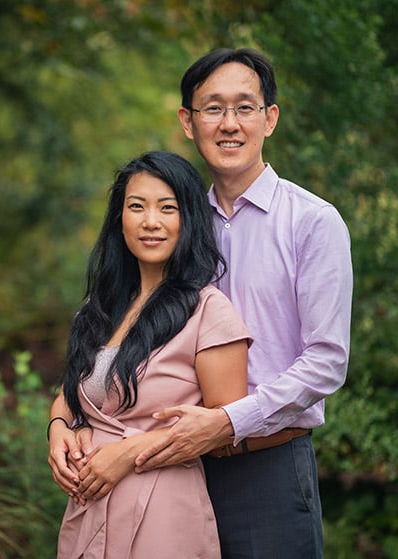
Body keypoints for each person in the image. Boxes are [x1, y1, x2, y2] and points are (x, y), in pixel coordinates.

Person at [50, 48, 353, 558]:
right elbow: (111, 356)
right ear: (188, 122)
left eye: (245, 107)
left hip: (264, 468)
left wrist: (229, 422)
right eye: (212, 108)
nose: (229, 123)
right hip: (162, 472)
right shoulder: (176, 223)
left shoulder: (312, 223)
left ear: (270, 119)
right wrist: (62, 420)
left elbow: (327, 362)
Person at [51, 151, 252, 558]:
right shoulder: (100, 308)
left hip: (163, 511)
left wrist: (127, 453)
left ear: (189, 219)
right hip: (89, 508)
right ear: (119, 218)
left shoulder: (209, 311)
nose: (151, 222)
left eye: (167, 208)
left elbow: (222, 430)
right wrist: (57, 428)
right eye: (136, 206)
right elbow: (73, 393)